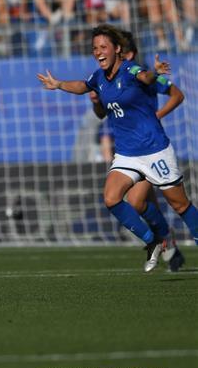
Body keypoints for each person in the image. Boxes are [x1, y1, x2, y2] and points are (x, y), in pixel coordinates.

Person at [37, 25, 198, 269]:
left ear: (118, 50)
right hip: (127, 153)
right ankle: (154, 241)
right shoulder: (99, 78)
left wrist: (155, 75)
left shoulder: (132, 69)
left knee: (180, 204)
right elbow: (83, 86)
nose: (98, 52)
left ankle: (176, 243)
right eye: (95, 48)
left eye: (103, 47)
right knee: (112, 198)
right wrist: (58, 84)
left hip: (154, 148)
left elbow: (148, 79)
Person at [87, 29, 185, 272]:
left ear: (127, 53)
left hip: (149, 146)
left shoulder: (141, 75)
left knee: (138, 200)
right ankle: (167, 242)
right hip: (127, 148)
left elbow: (176, 94)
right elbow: (101, 115)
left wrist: (159, 114)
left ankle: (165, 241)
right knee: (140, 203)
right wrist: (97, 102)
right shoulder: (109, 79)